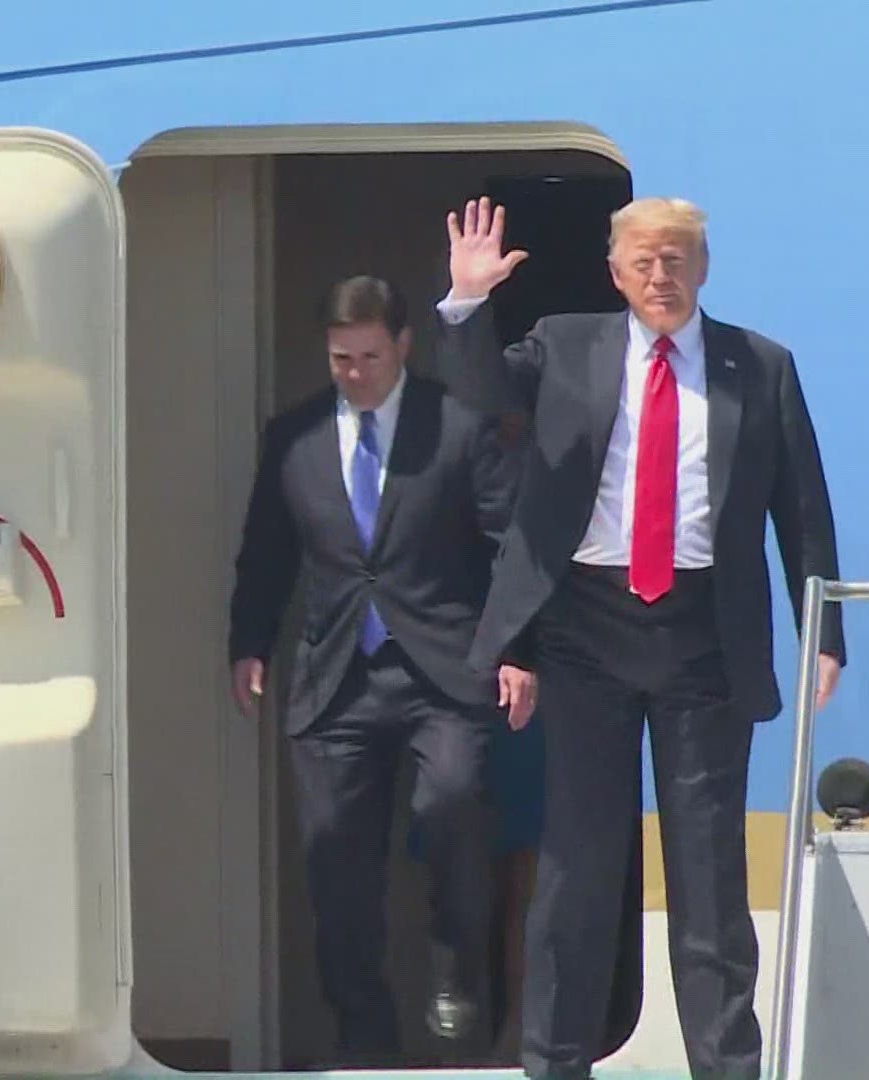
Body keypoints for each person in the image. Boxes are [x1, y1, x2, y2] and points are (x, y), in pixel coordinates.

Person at [433, 196, 848, 1080]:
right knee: (578, 871)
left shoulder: (760, 366)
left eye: (677, 261)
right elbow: (478, 396)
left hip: (706, 637)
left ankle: (728, 1068)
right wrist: (467, 304)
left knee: (709, 878)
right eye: (644, 263)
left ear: (703, 269)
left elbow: (801, 508)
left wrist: (826, 628)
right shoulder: (564, 343)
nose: (662, 277)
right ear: (617, 273)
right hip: (586, 630)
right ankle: (555, 1065)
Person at [227, 274, 535, 1067]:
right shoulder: (291, 438)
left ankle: (455, 960)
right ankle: (365, 1041)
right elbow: (266, 552)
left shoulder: (457, 428)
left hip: (444, 669)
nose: (355, 372)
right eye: (340, 358)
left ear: (401, 345)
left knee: (454, 803)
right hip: (336, 678)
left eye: (369, 355)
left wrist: (516, 648)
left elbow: (509, 546)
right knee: (336, 866)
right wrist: (248, 643)